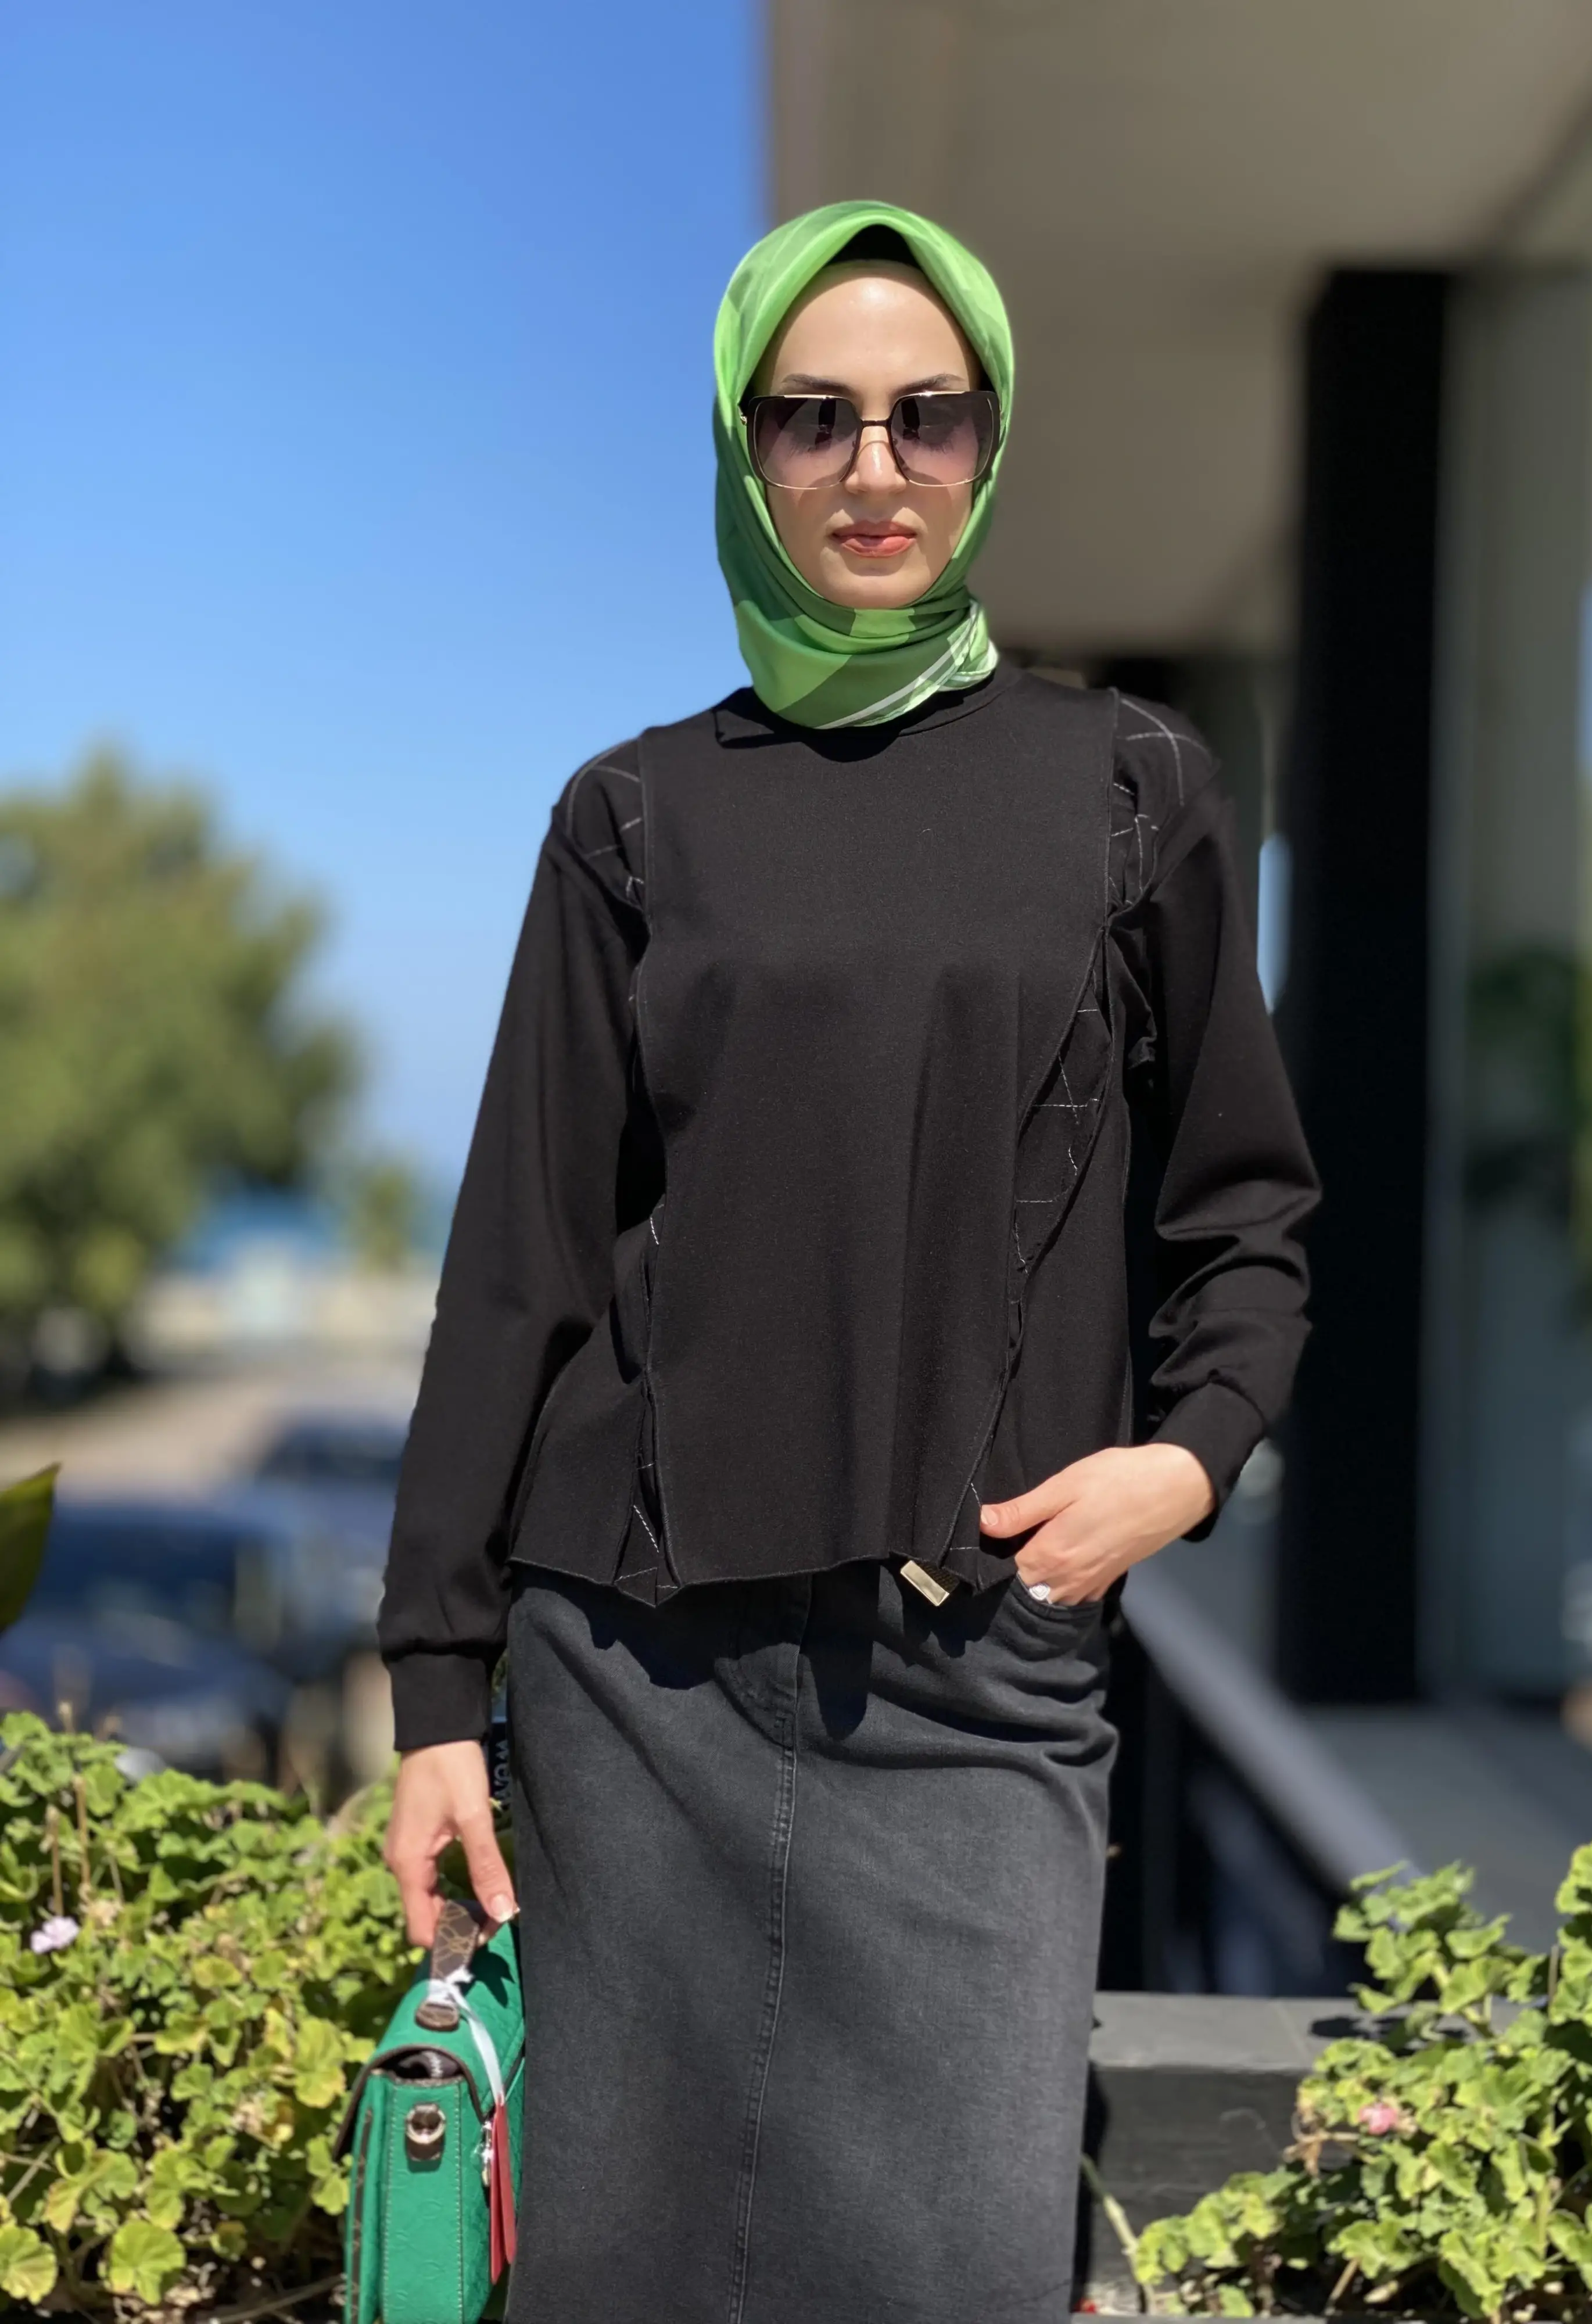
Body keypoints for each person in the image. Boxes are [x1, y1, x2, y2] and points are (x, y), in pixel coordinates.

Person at [377, 199, 1318, 2324]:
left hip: (980, 1672)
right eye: (813, 419)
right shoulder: (632, 819)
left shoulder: (1132, 790)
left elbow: (1246, 1209)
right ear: (747, 450)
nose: (874, 468)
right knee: (621, 2287)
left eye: (926, 417)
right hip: (633, 1680)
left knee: (959, 2271)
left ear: (989, 442)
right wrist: (439, 1683)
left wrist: (1186, 1463)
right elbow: (518, 1261)